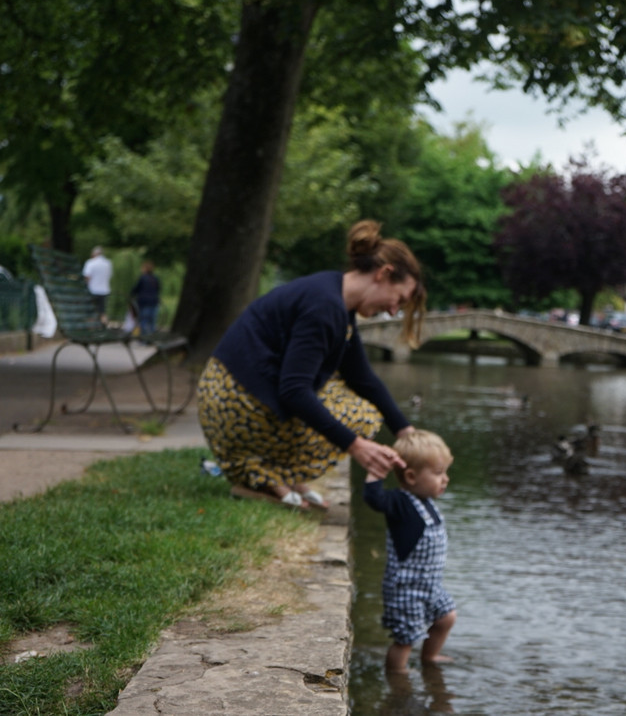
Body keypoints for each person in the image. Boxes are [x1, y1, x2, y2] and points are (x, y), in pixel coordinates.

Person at [196, 219, 425, 509]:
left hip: (229, 393)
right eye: (399, 299)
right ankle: (261, 478)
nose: (393, 311)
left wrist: (406, 431)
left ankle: (277, 474)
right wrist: (355, 446)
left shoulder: (336, 300)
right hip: (234, 400)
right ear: (384, 273)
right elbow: (293, 390)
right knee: (362, 417)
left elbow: (362, 377)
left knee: (352, 398)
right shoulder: (325, 307)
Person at [364, 429, 457, 673]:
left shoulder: (427, 502)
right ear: (411, 476)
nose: (445, 479)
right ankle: (397, 676)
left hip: (430, 585)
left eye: (445, 472)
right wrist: (376, 473)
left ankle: (430, 657)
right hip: (406, 588)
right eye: (438, 473)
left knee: (447, 617)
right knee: (405, 639)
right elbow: (374, 500)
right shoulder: (401, 502)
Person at [131, 260, 161, 339]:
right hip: (154, 301)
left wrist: (131, 295)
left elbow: (136, 289)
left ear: (145, 269)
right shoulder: (155, 278)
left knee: (143, 320)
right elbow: (158, 289)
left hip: (144, 302)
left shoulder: (143, 278)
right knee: (152, 322)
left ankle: (144, 339)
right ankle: (151, 338)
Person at [82, 246, 113, 323]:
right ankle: (103, 328)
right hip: (104, 290)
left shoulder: (90, 262)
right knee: (102, 311)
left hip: (92, 290)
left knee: (90, 311)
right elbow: (110, 275)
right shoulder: (108, 263)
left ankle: (92, 328)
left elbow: (87, 277)